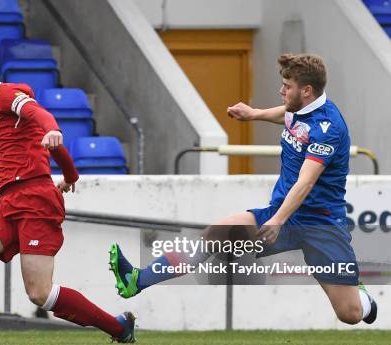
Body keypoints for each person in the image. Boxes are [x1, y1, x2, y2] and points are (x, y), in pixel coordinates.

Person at [109, 53, 377, 325]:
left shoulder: (329, 129)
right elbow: (286, 113)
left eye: (287, 86)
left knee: (350, 314)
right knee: (215, 235)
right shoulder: (299, 108)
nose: (281, 91)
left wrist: (276, 220)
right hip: (283, 213)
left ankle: (361, 296)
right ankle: (137, 280)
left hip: (322, 225)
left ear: (307, 91)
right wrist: (254, 114)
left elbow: (305, 182)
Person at [0, 45, 135, 344]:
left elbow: (38, 113)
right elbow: (51, 148)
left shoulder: (7, 95)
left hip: (35, 201)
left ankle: (118, 327)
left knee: (39, 293)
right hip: (8, 198)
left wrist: (53, 128)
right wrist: (70, 176)